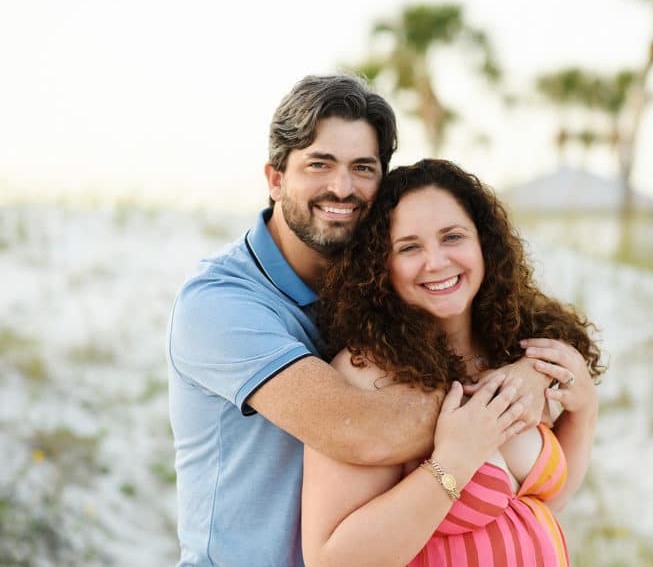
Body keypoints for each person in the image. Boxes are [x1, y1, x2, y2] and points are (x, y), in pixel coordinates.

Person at [167, 76, 543, 567]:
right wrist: (504, 394)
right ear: (276, 179)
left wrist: (534, 372)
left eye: (362, 168)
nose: (342, 188)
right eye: (319, 164)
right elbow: (363, 430)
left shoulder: (377, 296)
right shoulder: (220, 305)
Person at [303, 159, 604, 567]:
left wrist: (583, 411)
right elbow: (331, 560)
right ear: (379, 266)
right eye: (409, 247)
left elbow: (555, 496)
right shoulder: (368, 376)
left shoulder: (513, 347)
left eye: (452, 237)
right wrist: (453, 464)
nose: (437, 261)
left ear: (484, 243)